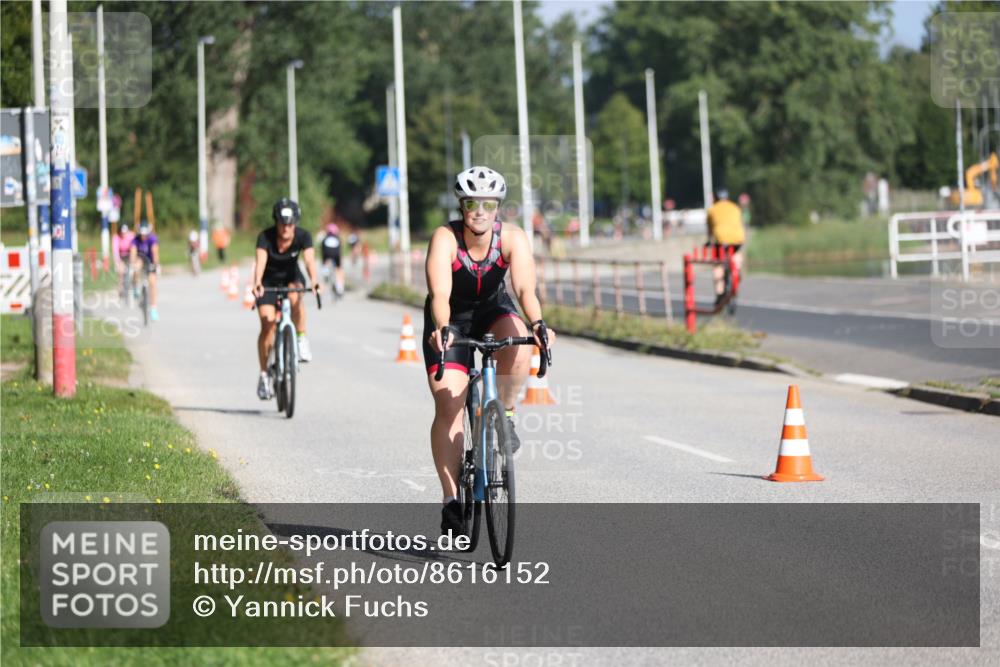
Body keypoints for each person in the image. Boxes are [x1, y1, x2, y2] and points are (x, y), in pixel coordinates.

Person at [424, 166, 555, 534]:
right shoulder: (445, 238)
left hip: (493, 309)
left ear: (498, 207)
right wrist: (442, 329)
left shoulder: (512, 238)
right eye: (471, 203)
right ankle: (451, 501)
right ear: (461, 206)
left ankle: (506, 414)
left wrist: (539, 324)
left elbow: (526, 290)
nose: (479, 211)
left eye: (487, 204)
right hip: (452, 319)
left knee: (520, 344)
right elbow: (440, 295)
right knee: (450, 403)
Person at [252, 198, 321, 400]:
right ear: (276, 222)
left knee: (296, 296)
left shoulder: (303, 236)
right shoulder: (265, 237)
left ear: (295, 222)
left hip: (292, 278)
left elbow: (309, 260)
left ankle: (300, 338)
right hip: (268, 281)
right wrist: (257, 282)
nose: (286, 228)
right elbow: (261, 261)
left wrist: (315, 281)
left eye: (290, 223)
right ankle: (264, 374)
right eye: (282, 223)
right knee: (267, 325)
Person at [705, 189, 745, 306]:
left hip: (721, 241)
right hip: (737, 240)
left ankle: (719, 293)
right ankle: (736, 271)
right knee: (736, 254)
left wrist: (708, 241)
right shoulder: (735, 207)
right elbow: (739, 224)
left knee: (718, 265)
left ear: (716, 197)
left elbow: (710, 229)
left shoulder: (712, 209)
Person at [129, 221, 160, 321]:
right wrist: (132, 263)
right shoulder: (135, 240)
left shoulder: (152, 239)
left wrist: (156, 265)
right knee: (136, 266)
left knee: (152, 282)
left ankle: (153, 308)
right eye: (142, 234)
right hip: (140, 260)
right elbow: (133, 253)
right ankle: (136, 287)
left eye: (145, 234)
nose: (143, 236)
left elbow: (155, 253)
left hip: (150, 261)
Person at [318, 220, 345, 296]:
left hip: (327, 253)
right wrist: (340, 262)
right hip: (336, 253)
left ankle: (325, 271)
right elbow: (340, 251)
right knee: (339, 270)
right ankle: (340, 288)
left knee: (325, 262)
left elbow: (322, 250)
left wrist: (323, 261)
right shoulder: (338, 238)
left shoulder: (325, 238)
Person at [111, 222, 135, 294]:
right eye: (122, 232)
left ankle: (134, 285)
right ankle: (120, 287)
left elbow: (134, 248)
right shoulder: (116, 237)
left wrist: (133, 259)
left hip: (130, 255)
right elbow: (115, 250)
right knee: (120, 271)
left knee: (134, 269)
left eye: (125, 232)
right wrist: (117, 262)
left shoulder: (131, 236)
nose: (124, 234)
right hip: (121, 257)